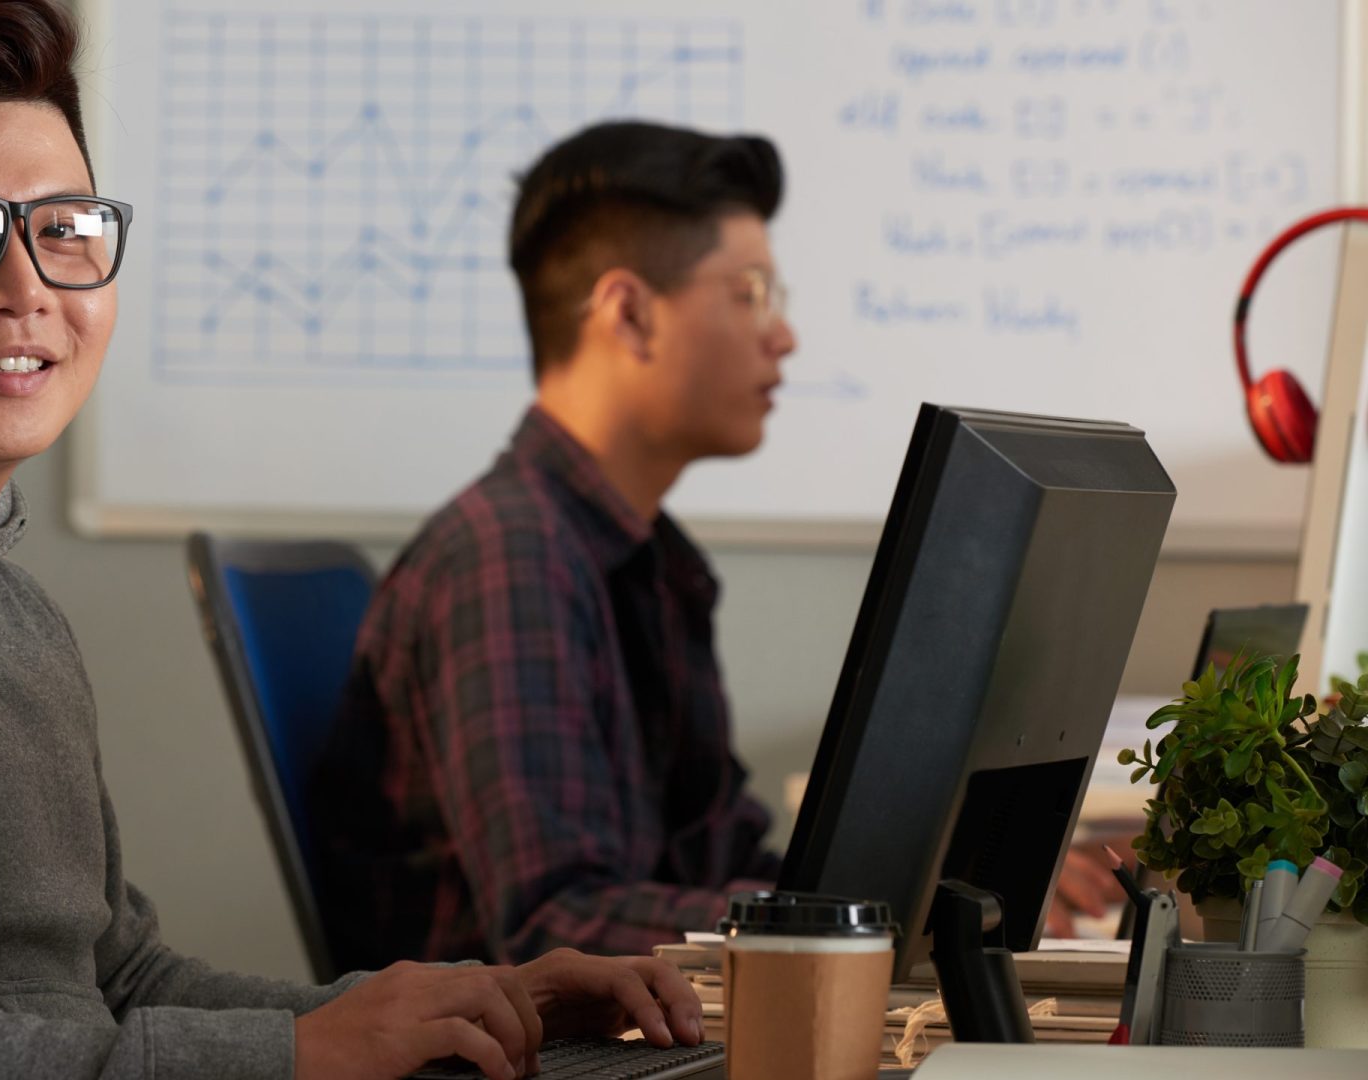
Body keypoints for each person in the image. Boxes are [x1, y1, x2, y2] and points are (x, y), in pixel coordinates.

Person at [0, 4, 701, 1078]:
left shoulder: (3, 602)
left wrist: (455, 1007)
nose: (24, 285)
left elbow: (115, 982)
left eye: (64, 229)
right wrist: (292, 1060)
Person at [314, 121, 1113, 968]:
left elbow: (718, 859)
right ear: (629, 314)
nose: (784, 336)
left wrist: (930, 890)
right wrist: (856, 920)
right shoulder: (506, 561)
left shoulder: (653, 560)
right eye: (750, 293)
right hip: (536, 1035)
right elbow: (558, 922)